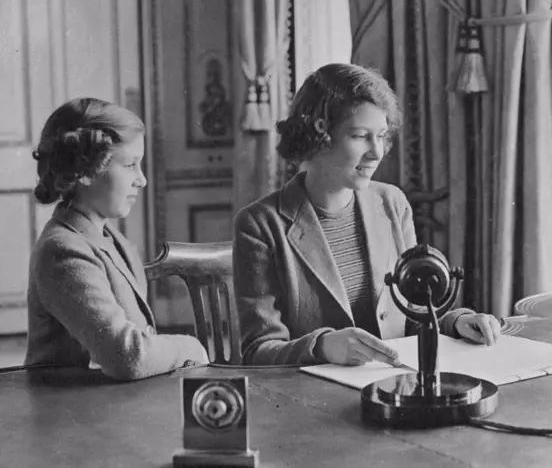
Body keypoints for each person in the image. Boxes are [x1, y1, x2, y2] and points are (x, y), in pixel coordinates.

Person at [234, 63, 502, 366]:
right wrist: (322, 347)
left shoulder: (392, 203)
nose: (377, 153)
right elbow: (257, 351)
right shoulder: (260, 224)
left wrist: (457, 321)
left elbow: (412, 313)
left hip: (392, 387)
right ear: (319, 135)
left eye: (382, 136)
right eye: (361, 136)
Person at [24, 98, 209, 380]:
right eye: (130, 165)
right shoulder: (62, 251)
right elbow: (129, 357)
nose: (142, 180)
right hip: (69, 416)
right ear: (86, 171)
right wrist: (192, 346)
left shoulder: (111, 239)